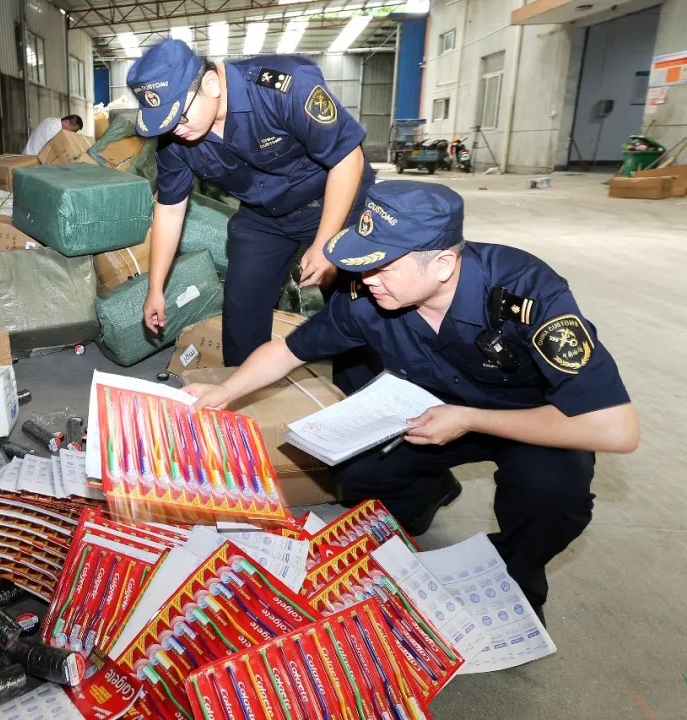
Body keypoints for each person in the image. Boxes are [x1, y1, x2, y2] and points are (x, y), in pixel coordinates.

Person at [185, 180, 639, 616]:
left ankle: (515, 580)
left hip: (533, 421)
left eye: (382, 266)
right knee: (354, 469)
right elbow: (289, 349)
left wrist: (469, 418)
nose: (367, 278)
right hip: (434, 412)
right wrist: (224, 391)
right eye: (361, 262)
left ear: (442, 265)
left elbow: (616, 429)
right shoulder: (368, 294)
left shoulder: (526, 294)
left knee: (552, 500)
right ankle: (424, 494)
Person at [127, 38, 375, 371]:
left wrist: (326, 242)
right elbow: (170, 209)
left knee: (356, 309)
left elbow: (347, 159)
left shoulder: (283, 86)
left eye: (180, 116)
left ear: (212, 84)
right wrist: (155, 289)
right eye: (166, 122)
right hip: (265, 216)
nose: (176, 129)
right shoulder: (174, 138)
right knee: (242, 308)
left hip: (335, 202)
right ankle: (241, 403)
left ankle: (357, 402)